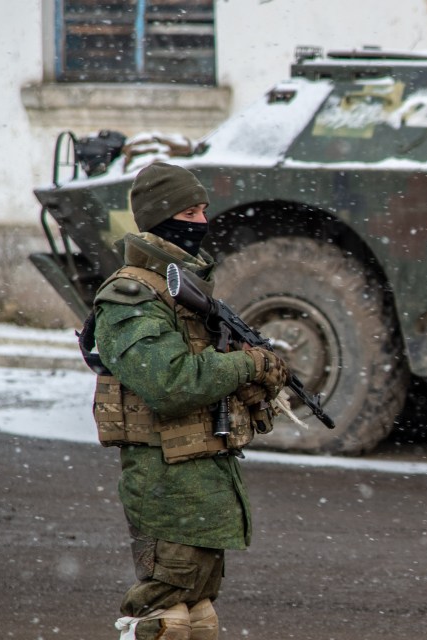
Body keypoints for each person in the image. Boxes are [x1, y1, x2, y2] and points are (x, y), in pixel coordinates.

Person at [89, 161, 289, 640]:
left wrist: (254, 375)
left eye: (203, 209)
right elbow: (170, 382)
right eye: (190, 211)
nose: (201, 221)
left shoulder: (187, 292)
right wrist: (248, 365)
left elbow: (205, 372)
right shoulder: (129, 297)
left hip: (201, 474)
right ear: (161, 218)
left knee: (197, 616)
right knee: (163, 619)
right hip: (166, 478)